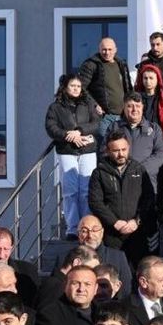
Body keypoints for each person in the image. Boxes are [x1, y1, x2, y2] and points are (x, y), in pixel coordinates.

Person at [89, 130, 157, 266]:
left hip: (137, 234)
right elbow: (95, 202)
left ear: (128, 148)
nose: (121, 154)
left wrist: (137, 221)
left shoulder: (139, 169)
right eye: (116, 150)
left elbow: (148, 198)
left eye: (124, 149)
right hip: (111, 236)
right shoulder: (99, 173)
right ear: (108, 151)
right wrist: (114, 222)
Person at [46, 75, 102, 232]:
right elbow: (51, 127)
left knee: (86, 189)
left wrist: (79, 131)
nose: (76, 89)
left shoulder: (88, 104)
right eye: (72, 86)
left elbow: (96, 123)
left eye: (78, 86)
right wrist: (67, 135)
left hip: (87, 150)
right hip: (67, 151)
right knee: (70, 190)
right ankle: (72, 227)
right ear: (65, 87)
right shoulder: (55, 107)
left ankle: (86, 226)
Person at [110, 92, 163, 196]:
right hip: (120, 183)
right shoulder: (114, 127)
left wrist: (140, 170)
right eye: (130, 106)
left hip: (146, 182)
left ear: (142, 107)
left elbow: (160, 153)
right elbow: (105, 152)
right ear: (124, 107)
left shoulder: (154, 129)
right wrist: (121, 169)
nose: (134, 109)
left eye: (137, 106)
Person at [77, 37, 133, 127]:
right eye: (104, 49)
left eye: (110, 49)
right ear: (99, 50)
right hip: (103, 117)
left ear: (115, 50)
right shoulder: (91, 65)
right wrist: (94, 104)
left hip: (122, 116)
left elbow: (128, 88)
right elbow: (80, 88)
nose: (107, 53)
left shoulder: (122, 64)